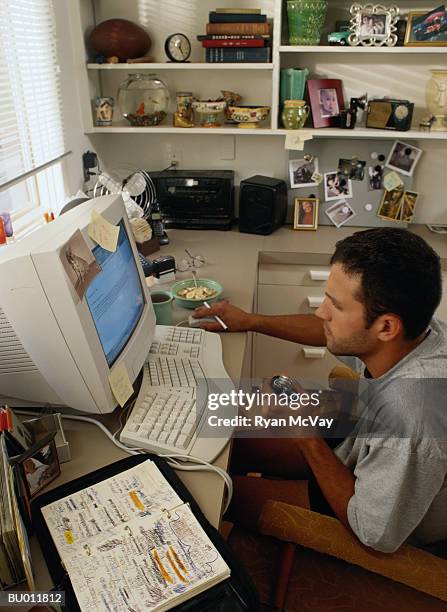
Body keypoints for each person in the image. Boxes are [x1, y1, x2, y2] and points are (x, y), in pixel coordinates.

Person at [193, 228, 447, 553]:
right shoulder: (417, 332)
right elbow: (330, 331)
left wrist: (304, 434)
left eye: (336, 306)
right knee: (223, 444)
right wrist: (250, 321)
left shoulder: (412, 418)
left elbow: (374, 534)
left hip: (373, 508)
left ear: (386, 327)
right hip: (362, 430)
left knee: (213, 495)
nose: (320, 313)